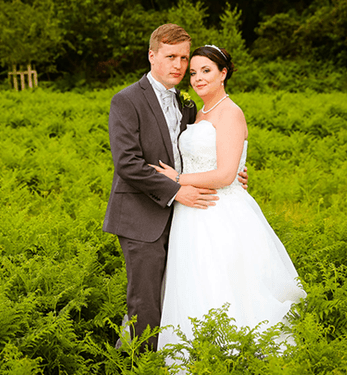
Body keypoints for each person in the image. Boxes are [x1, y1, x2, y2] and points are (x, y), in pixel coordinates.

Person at [151, 45, 307, 356]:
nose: (197, 78)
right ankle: (199, 349)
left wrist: (177, 180)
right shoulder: (197, 112)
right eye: (193, 72)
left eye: (206, 70)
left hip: (220, 209)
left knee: (225, 278)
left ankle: (236, 350)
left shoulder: (231, 112)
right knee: (194, 278)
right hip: (190, 211)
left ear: (223, 73)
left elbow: (224, 175)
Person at [103, 25, 248, 350]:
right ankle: (140, 365)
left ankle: (181, 355)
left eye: (184, 58)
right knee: (146, 301)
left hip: (186, 218)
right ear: (152, 55)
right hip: (142, 217)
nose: (179, 66)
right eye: (171, 57)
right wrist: (176, 189)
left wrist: (234, 171)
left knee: (180, 294)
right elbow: (127, 164)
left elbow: (204, 152)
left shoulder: (187, 106)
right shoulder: (126, 100)